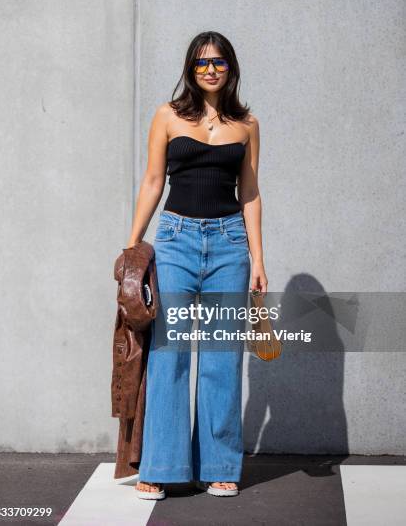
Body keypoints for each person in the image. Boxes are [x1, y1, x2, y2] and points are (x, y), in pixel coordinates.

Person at [126, 31, 268, 500]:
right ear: (190, 68)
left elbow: (249, 192)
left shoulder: (247, 123)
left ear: (231, 68)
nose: (210, 70)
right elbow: (152, 181)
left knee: (222, 359)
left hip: (229, 244)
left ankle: (219, 465)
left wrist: (259, 258)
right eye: (202, 63)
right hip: (176, 241)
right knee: (170, 356)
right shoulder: (167, 116)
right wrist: (132, 247)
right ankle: (161, 465)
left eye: (219, 63)